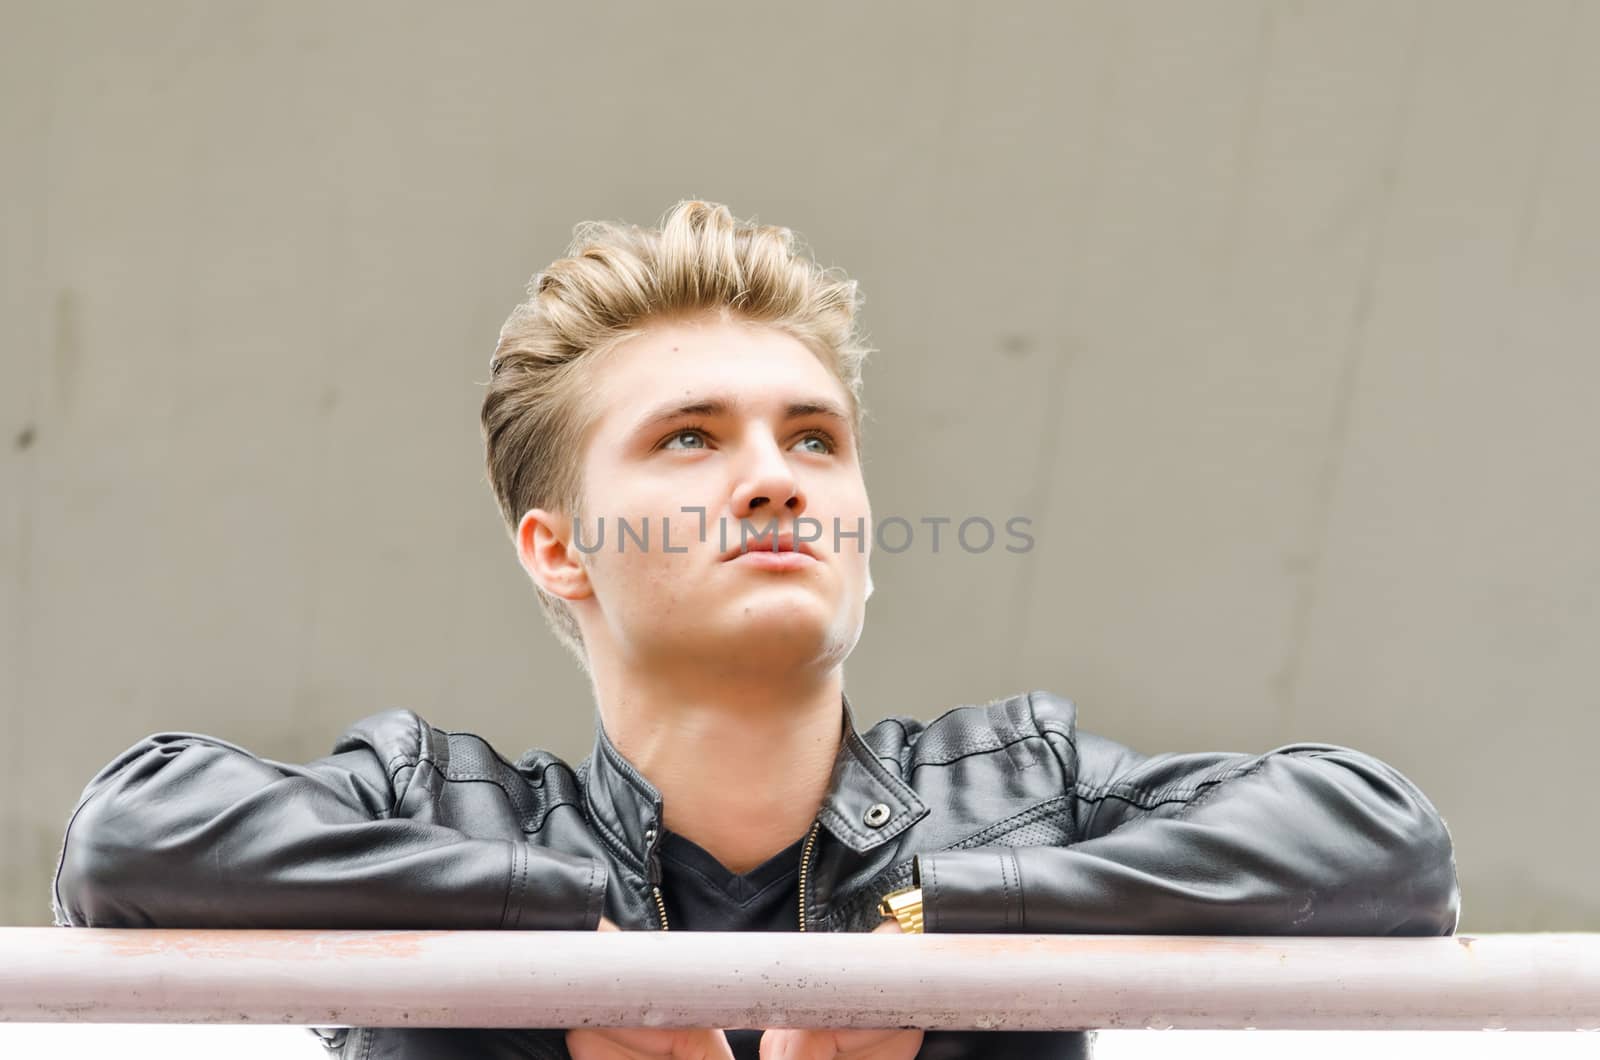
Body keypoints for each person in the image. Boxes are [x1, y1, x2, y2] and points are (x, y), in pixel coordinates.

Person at [51, 200, 1461, 1060]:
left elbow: (1382, 843)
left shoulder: (1021, 799)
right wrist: (556, 947)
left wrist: (935, 931)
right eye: (686, 438)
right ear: (558, 551)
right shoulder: (436, 810)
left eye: (815, 437)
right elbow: (131, 840)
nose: (777, 473)